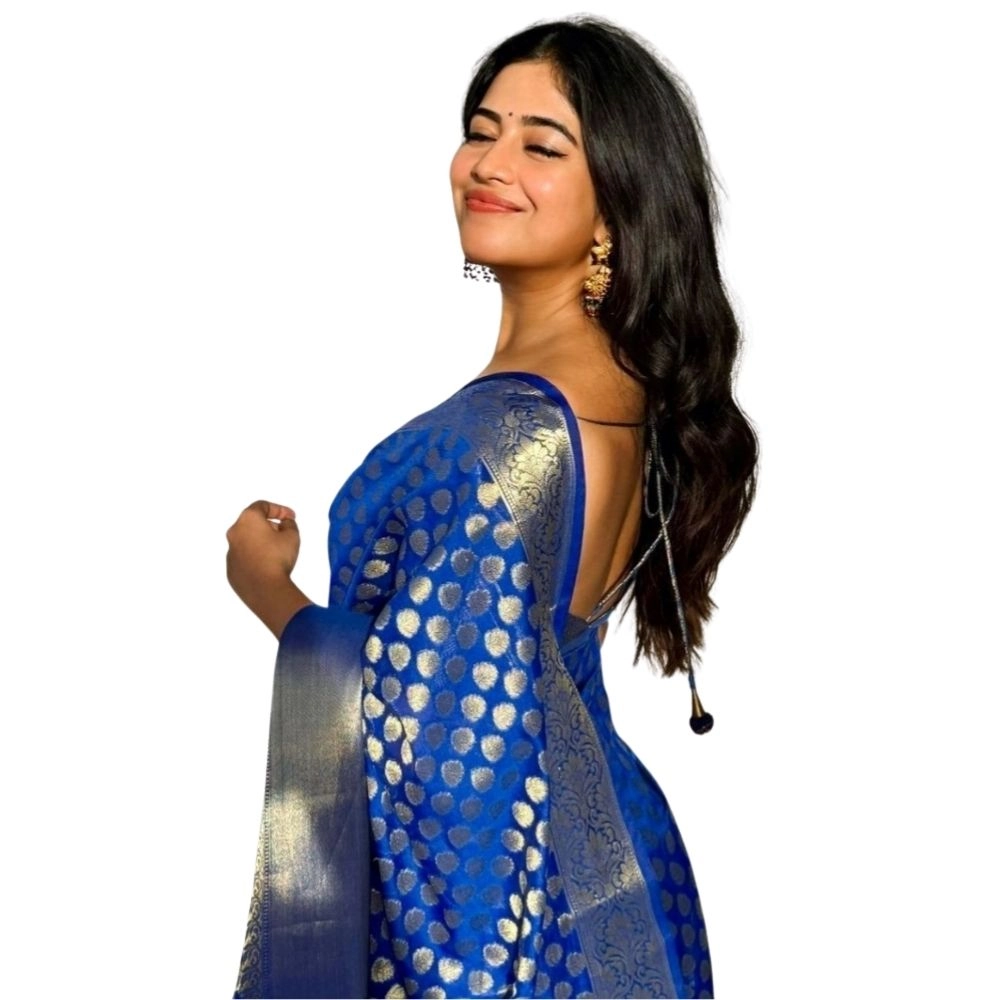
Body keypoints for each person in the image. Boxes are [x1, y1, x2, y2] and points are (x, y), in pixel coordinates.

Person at [225, 16, 757, 999]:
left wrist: (270, 593)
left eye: (541, 145)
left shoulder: (506, 438)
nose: (489, 163)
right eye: (481, 130)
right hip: (608, 869)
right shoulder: (623, 394)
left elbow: (432, 737)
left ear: (615, 204)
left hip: (511, 908)